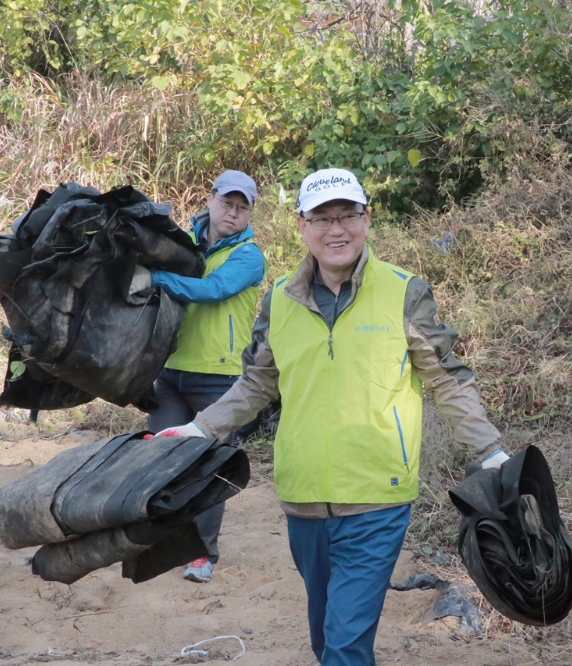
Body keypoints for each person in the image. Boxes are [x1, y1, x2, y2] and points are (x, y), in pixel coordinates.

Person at [156, 167, 509, 665]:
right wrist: (200, 428)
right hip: (301, 497)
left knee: (345, 645)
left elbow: (447, 378)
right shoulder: (279, 298)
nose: (336, 229)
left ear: (367, 220)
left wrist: (489, 451)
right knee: (326, 636)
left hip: (375, 497)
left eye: (347, 215)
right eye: (322, 218)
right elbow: (257, 382)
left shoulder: (403, 291)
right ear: (301, 225)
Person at [130, 169, 267, 583]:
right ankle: (160, 543)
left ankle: (203, 554)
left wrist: (153, 278)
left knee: (207, 468)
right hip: (171, 373)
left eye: (242, 207)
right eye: (227, 203)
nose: (233, 212)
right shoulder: (183, 245)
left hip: (221, 380)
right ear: (210, 200)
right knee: (161, 460)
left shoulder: (248, 256)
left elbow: (212, 290)